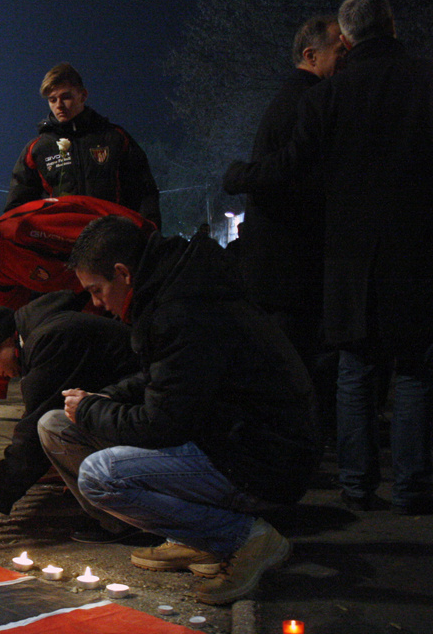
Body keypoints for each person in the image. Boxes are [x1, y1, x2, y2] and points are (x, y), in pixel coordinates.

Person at [224, 0, 433, 515]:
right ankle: (411, 487)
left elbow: (288, 168)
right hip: (416, 250)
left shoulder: (328, 98)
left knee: (355, 369)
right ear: (390, 24)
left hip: (347, 257)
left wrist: (238, 176)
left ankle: (358, 486)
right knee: (412, 371)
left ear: (346, 37)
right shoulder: (425, 82)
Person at [38, 216, 320, 605]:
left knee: (100, 476)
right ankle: (197, 536)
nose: (98, 305)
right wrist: (100, 399)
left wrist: (91, 411)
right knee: (56, 424)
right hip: (226, 437)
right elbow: (162, 378)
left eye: (98, 291)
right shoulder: (172, 290)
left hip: (261, 458)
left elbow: (163, 423)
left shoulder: (185, 309)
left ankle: (245, 538)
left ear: (123, 274)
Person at [0, 195, 152, 435]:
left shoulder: (24, 231)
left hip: (135, 286)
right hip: (102, 311)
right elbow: (4, 338)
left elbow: (112, 234)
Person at [0, 291, 138, 534]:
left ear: (5, 342)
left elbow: (32, 431)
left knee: (51, 426)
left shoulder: (51, 339)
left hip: (147, 418)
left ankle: (123, 520)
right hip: (132, 408)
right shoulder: (40, 332)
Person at [237, 15, 344, 421]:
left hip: (281, 266)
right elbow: (286, 173)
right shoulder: (308, 101)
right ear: (311, 55)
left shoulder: (295, 97)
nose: (346, 54)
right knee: (296, 369)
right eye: (339, 47)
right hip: (289, 268)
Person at [6, 62, 161, 228]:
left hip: (113, 241)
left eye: (66, 97)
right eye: (52, 100)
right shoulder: (37, 149)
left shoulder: (115, 138)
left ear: (83, 95)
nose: (59, 105)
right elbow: (17, 208)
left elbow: (145, 192)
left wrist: (150, 234)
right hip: (60, 245)